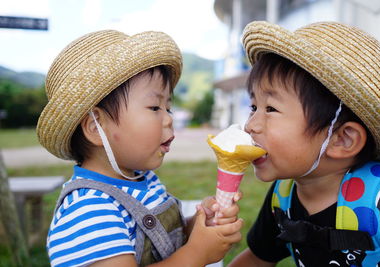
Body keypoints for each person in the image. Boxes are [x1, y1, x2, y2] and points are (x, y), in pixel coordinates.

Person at [37, 29, 243, 267]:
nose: (168, 119)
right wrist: (197, 254)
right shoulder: (88, 210)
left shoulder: (144, 181)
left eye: (169, 108)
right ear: (95, 127)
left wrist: (195, 225)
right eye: (155, 107)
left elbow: (162, 242)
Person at [228, 21, 380, 267]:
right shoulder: (283, 197)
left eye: (271, 109)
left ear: (342, 139)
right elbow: (257, 259)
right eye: (253, 107)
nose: (250, 125)